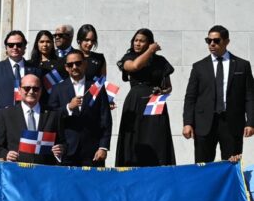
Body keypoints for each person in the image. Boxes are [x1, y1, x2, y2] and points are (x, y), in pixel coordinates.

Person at [183, 25, 254, 163]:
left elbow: (250, 96)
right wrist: (187, 123)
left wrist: (250, 122)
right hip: (204, 125)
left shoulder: (242, 65)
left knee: (231, 165)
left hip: (232, 123)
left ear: (226, 41)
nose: (212, 44)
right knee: (203, 166)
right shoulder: (199, 67)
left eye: (216, 40)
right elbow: (190, 97)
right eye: (208, 41)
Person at [115, 28, 176, 167]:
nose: (137, 43)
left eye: (142, 41)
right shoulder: (128, 57)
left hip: (155, 101)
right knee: (134, 137)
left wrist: (162, 91)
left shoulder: (160, 61)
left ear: (149, 42)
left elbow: (169, 86)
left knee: (156, 137)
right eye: (135, 40)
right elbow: (134, 66)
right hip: (135, 101)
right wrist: (150, 50)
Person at [48, 50, 112, 166]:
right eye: (70, 65)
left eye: (78, 63)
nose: (74, 67)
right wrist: (68, 107)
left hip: (93, 151)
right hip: (66, 151)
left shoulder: (96, 87)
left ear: (85, 64)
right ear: (66, 67)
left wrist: (103, 147)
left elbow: (105, 118)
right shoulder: (58, 89)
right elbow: (51, 116)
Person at [0, 74, 64, 165]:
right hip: (16, 170)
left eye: (35, 88)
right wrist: (6, 154)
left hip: (44, 171)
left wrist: (60, 149)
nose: (31, 92)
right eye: (27, 88)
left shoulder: (54, 114)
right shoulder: (6, 114)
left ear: (41, 91)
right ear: (19, 90)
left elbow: (63, 143)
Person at [0, 30, 42, 116]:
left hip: (29, 117)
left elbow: (41, 95)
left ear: (24, 48)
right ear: (6, 48)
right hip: (3, 119)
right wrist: (0, 113)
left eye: (19, 45)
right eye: (11, 45)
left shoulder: (35, 70)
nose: (15, 47)